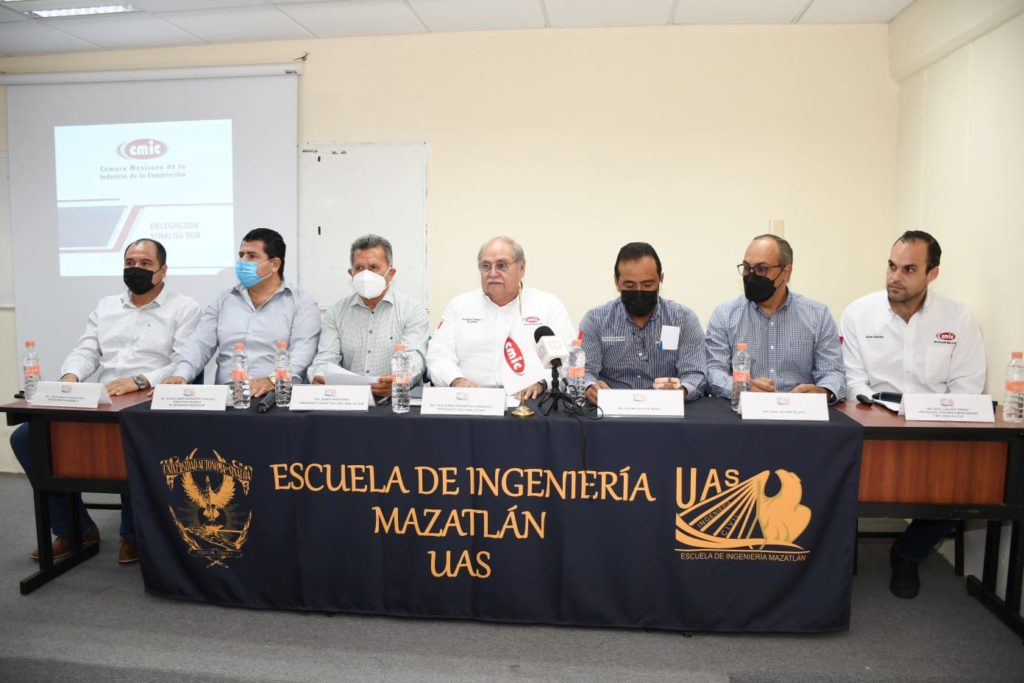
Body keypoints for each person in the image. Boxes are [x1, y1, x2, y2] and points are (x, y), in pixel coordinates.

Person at [12, 238, 200, 564]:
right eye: (130, 263)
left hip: (149, 398)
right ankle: (74, 529)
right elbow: (87, 349)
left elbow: (184, 362)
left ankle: (134, 534)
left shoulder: (185, 308)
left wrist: (140, 380)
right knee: (28, 438)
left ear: (163, 270)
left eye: (145, 264)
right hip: (105, 397)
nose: (136, 269)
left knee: (134, 440)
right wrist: (70, 378)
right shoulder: (106, 306)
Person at [840, 230, 986, 599]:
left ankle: (908, 552)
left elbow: (967, 384)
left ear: (932, 274)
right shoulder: (858, 313)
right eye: (892, 266)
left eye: (908, 269)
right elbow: (853, 380)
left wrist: (933, 418)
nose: (895, 276)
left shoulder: (958, 316)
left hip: (937, 427)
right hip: (875, 426)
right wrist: (884, 413)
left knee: (969, 490)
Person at [165, 228, 320, 393]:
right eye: (241, 255)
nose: (242, 261)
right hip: (228, 395)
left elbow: (303, 352)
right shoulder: (223, 299)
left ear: (274, 264)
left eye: (251, 256)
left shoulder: (301, 303)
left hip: (275, 395)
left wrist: (273, 380)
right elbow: (200, 343)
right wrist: (181, 375)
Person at [426, 236, 574, 398]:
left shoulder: (548, 305)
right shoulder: (459, 306)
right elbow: (438, 355)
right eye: (486, 266)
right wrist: (455, 380)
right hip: (470, 401)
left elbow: (568, 358)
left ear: (522, 268)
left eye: (502, 265)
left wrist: (542, 383)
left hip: (530, 400)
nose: (493, 273)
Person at [705, 234, 846, 403]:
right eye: (747, 268)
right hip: (744, 410)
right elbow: (713, 372)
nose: (751, 276)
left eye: (761, 269)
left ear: (786, 272)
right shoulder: (725, 315)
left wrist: (823, 391)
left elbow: (833, 372)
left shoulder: (818, 315)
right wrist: (743, 387)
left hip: (800, 410)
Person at [580, 242, 707, 405]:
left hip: (666, 408)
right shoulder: (595, 320)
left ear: (661, 279)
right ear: (617, 282)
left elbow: (695, 374)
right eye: (629, 285)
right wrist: (590, 387)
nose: (639, 291)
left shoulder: (683, 319)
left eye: (647, 285)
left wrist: (682, 391)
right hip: (612, 408)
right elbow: (584, 372)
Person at [309, 234, 429, 400]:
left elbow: (414, 357)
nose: (365, 275)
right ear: (351, 273)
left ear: (390, 273)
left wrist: (400, 380)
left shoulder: (412, 310)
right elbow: (325, 358)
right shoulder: (336, 312)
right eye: (359, 268)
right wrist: (319, 376)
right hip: (348, 401)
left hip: (395, 401)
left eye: (373, 267)